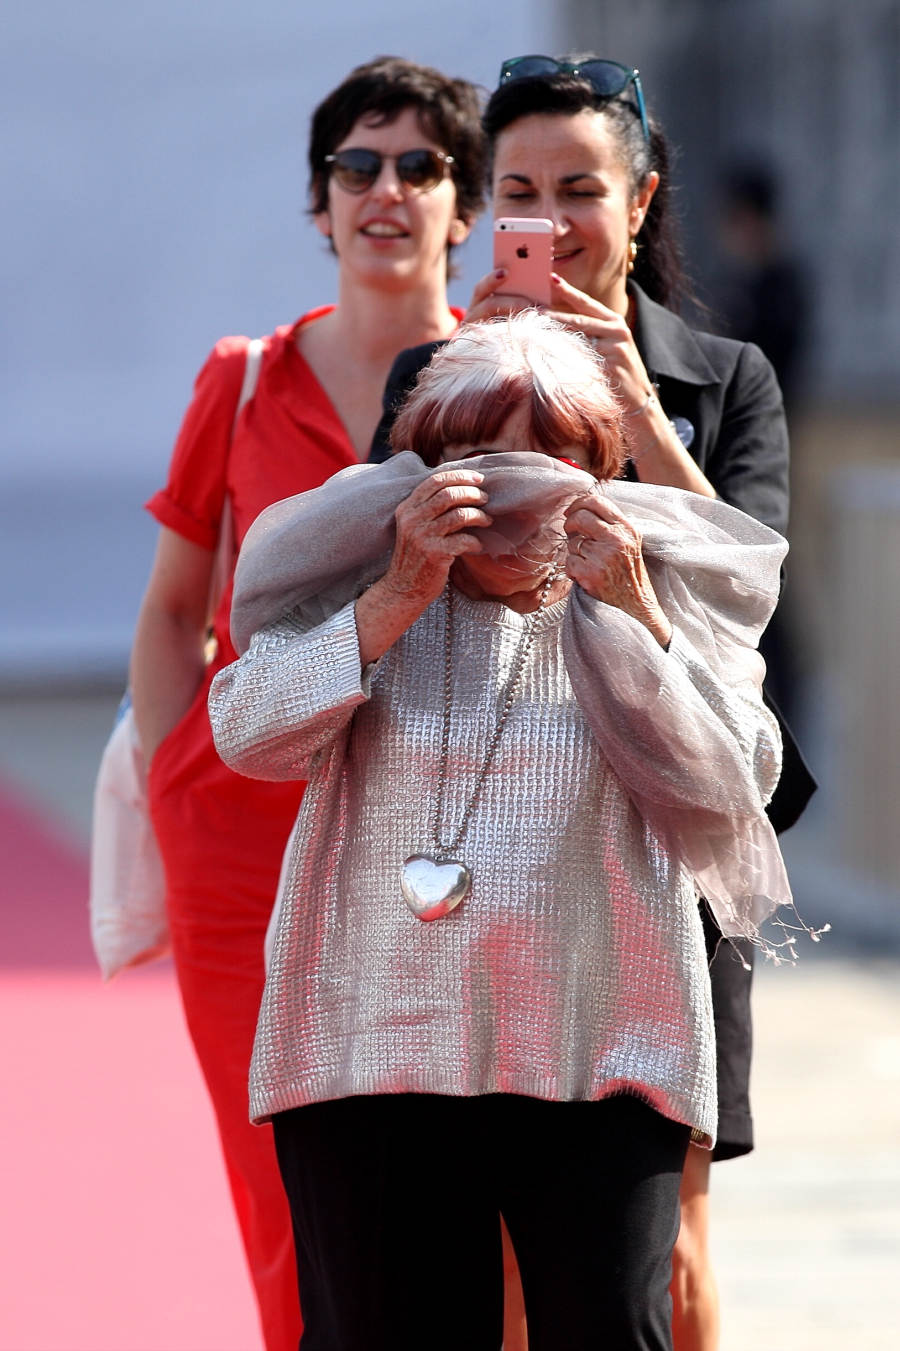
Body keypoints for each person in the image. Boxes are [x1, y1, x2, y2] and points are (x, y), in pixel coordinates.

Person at [208, 311, 791, 1351]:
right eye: (479, 451)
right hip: (373, 1049)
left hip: (603, 1050)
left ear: (598, 465)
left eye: (551, 452)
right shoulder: (363, 578)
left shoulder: (652, 581)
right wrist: (395, 596)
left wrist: (638, 615)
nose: (517, 483)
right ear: (422, 468)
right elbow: (245, 731)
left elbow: (737, 780)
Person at [369, 55, 815, 1351]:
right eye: (518, 190)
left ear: (641, 199)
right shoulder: (434, 377)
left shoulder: (722, 379)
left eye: (580, 189)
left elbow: (752, 585)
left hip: (665, 832)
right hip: (489, 828)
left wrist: (630, 404)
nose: (550, 220)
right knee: (503, 1242)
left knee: (668, 1231)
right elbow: (384, 564)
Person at [128, 56, 484, 1351]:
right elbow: (175, 608)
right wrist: (181, 780)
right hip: (243, 852)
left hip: (438, 854)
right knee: (280, 1200)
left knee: (464, 1210)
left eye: (420, 165)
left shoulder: (502, 385)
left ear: (464, 208)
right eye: (357, 165)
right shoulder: (240, 378)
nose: (385, 189)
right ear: (322, 205)